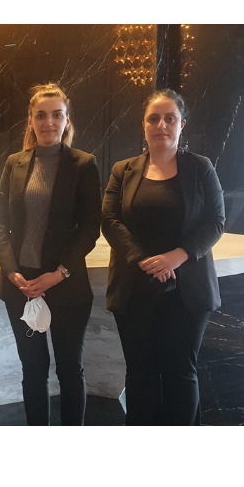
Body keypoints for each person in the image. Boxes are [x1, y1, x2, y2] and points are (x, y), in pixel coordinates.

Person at [102, 88, 225, 425]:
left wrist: (176, 256)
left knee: (180, 373)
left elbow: (216, 221)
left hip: (187, 291)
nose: (161, 125)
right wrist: (143, 260)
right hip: (134, 288)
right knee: (139, 374)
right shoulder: (123, 170)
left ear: (182, 124)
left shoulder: (201, 168)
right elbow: (109, 220)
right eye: (153, 118)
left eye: (170, 118)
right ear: (143, 125)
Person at [0, 83, 102, 425]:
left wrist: (58, 274)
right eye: (41, 115)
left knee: (69, 369)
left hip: (65, 284)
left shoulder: (83, 164)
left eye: (56, 115)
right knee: (33, 369)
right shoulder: (14, 163)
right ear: (30, 120)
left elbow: (90, 228)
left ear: (66, 120)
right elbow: (0, 220)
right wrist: (11, 271)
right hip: (22, 286)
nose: (48, 122)